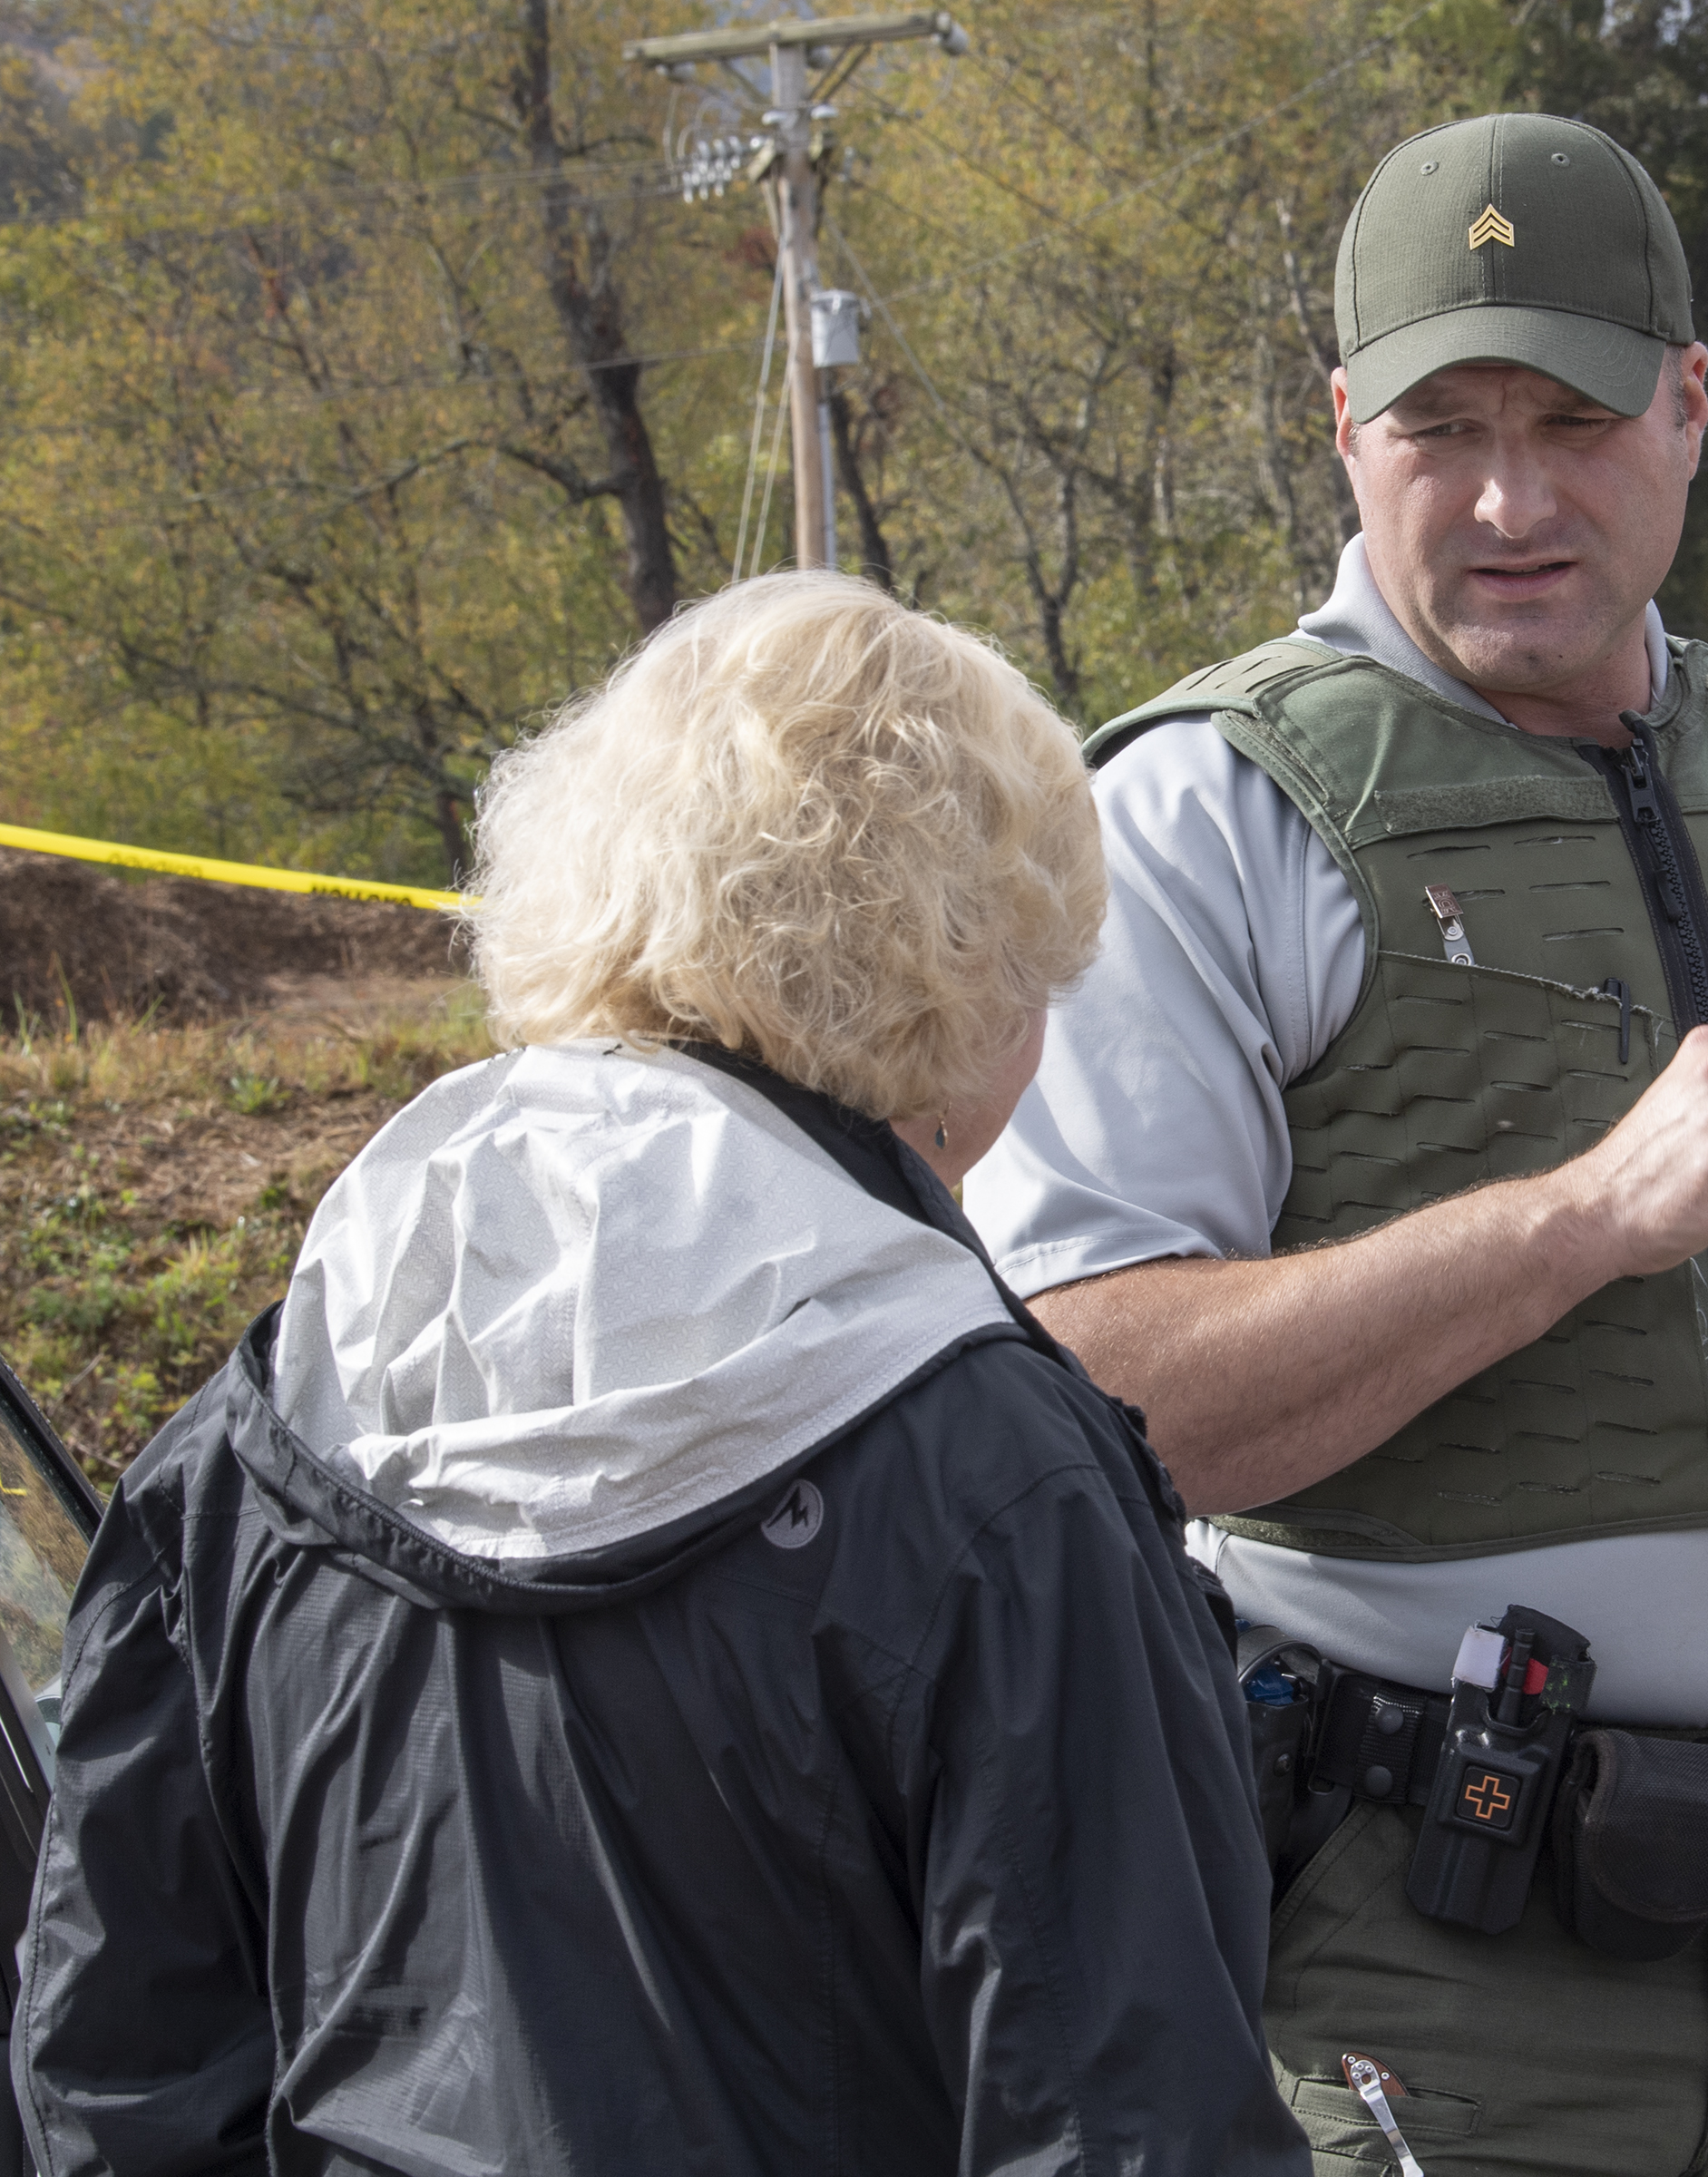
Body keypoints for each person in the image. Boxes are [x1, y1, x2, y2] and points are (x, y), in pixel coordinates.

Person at [965, 114, 1708, 2173]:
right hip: (1428, 1959)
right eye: (1445, 426)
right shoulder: (1196, 823)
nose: (1513, 496)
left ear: (1691, 411)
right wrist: (1578, 1220)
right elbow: (1095, 1406)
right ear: (1344, 430)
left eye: (1577, 418)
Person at [12, 573, 1310, 2175]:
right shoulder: (991, 1475)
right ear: (969, 971)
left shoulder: (272, 1407)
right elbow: (1133, 2125)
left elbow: (112, 2069)